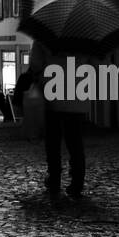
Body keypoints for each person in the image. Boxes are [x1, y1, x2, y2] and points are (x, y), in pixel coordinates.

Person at [33, 41, 88, 199]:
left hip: (53, 94)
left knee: (53, 142)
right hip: (77, 95)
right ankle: (77, 183)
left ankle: (54, 180)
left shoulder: (45, 33)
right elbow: (96, 64)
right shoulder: (84, 36)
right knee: (75, 142)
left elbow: (36, 64)